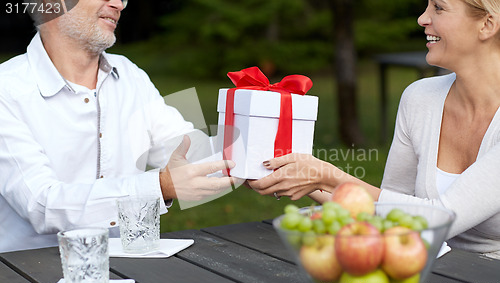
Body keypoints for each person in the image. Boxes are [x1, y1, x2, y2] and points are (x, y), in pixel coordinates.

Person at [250, 0, 500, 259]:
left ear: (487, 24)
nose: (422, 19)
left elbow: (441, 218)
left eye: (438, 7)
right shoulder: (420, 97)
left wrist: (329, 177)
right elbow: (386, 209)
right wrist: (295, 175)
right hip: (422, 272)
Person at [0, 0, 235, 253]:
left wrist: (261, 162)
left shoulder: (129, 74)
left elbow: (189, 153)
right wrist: (159, 186)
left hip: (128, 266)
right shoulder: (7, 90)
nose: (118, 4)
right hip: (27, 275)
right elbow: (42, 206)